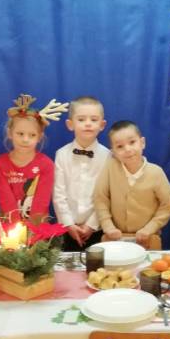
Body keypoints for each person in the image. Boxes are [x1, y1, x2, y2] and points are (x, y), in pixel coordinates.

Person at [93, 120, 170, 250]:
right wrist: (107, 225)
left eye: (132, 142)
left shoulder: (156, 172)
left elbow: (168, 205)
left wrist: (150, 228)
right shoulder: (110, 168)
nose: (127, 149)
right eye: (120, 146)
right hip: (115, 238)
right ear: (113, 152)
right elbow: (100, 198)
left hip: (148, 238)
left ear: (142, 143)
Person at [0, 94, 66, 219]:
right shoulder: (0, 164)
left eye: (32, 135)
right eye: (20, 133)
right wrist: (16, 226)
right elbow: (5, 200)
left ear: (39, 137)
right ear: (10, 133)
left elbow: (41, 202)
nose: (25, 140)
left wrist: (33, 228)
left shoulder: (46, 164)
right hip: (9, 225)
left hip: (37, 225)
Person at [53, 96, 109, 251]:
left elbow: (107, 194)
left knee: (98, 264)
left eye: (94, 119)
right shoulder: (61, 155)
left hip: (98, 228)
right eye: (81, 119)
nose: (88, 123)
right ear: (70, 124)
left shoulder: (108, 156)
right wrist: (68, 223)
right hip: (67, 229)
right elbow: (58, 194)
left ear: (102, 125)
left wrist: (92, 224)